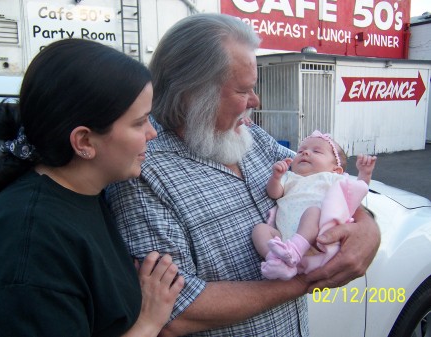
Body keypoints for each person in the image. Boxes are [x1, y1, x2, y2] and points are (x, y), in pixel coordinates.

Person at [106, 13, 380, 336]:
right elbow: (176, 312)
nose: (256, 100)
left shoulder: (250, 137)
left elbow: (319, 183)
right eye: (243, 91)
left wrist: (367, 227)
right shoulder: (143, 173)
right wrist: (304, 280)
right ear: (194, 95)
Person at [0, 38, 184, 337]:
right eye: (139, 122)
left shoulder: (84, 193)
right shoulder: (31, 247)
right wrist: (148, 322)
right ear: (84, 142)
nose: (152, 133)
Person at [252, 130, 377, 280]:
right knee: (259, 230)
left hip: (314, 239)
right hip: (284, 238)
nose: (305, 153)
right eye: (301, 151)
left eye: (316, 151)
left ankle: (295, 251)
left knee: (313, 212)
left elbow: (355, 195)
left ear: (336, 169)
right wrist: (276, 177)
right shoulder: (290, 177)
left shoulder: (332, 178)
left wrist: (365, 174)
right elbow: (274, 193)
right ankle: (277, 261)